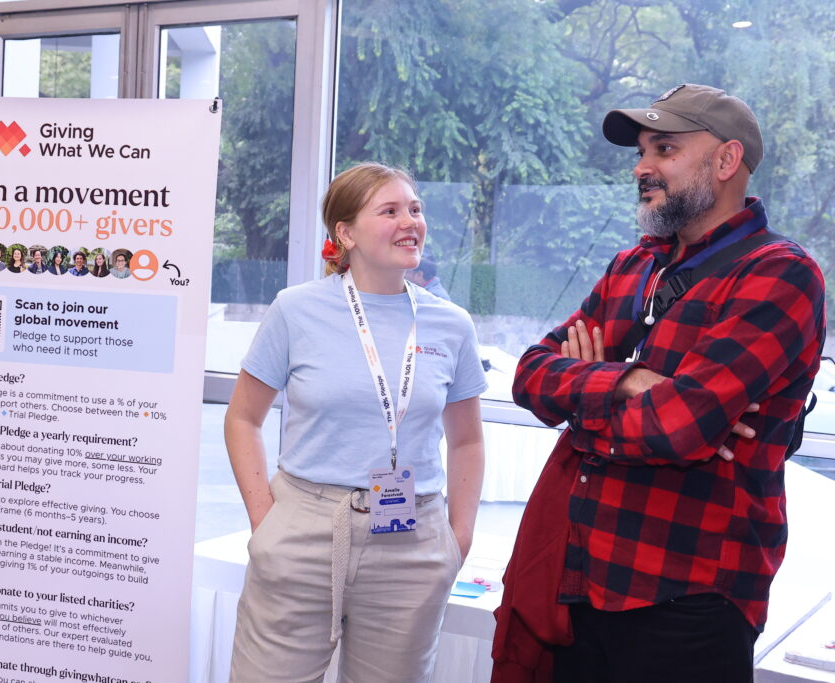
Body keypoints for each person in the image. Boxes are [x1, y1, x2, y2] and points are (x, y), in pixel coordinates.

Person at [501, 84, 826, 683]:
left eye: (665, 149)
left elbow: (676, 430)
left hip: (689, 599)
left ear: (727, 162)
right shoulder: (633, 267)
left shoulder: (781, 274)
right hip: (580, 582)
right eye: (642, 151)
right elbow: (529, 375)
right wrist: (628, 383)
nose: (642, 168)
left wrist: (584, 403)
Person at [226, 162, 487, 683]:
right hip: (305, 530)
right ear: (344, 233)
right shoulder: (295, 310)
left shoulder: (450, 324)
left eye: (415, 208)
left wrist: (457, 536)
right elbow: (242, 419)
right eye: (389, 210)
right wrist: (266, 521)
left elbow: (468, 441)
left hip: (412, 541)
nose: (409, 220)